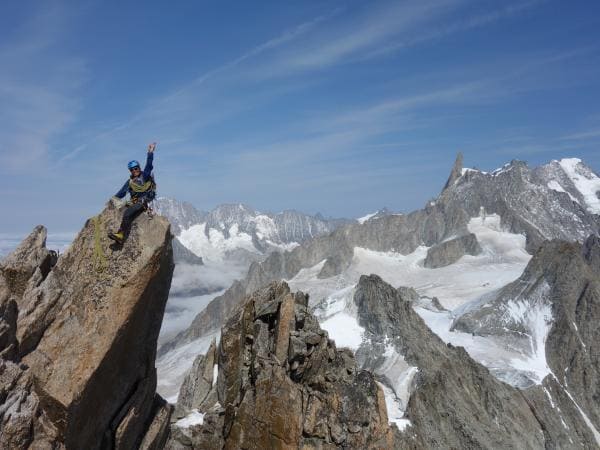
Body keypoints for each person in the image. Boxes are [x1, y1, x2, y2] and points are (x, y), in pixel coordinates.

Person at [108, 143, 157, 244]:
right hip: (136, 202)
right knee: (128, 214)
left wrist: (150, 152)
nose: (134, 170)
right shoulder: (130, 182)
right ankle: (119, 237)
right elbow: (121, 193)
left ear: (139, 168)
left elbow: (149, 165)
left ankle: (120, 235)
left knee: (127, 213)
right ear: (130, 171)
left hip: (144, 201)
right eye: (132, 169)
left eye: (136, 168)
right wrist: (112, 199)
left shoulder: (145, 175)